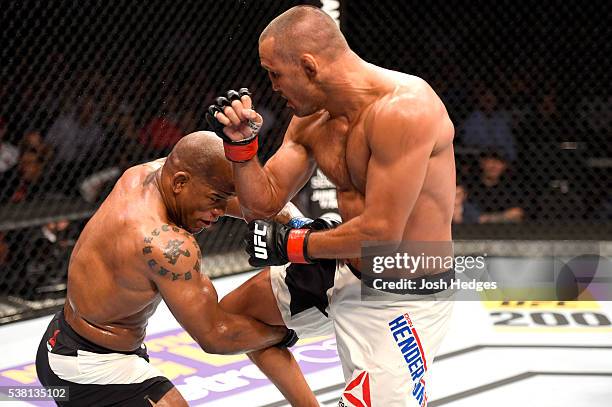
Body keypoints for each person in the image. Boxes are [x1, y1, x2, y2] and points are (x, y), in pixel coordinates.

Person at [209, 5, 456, 406]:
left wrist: (293, 245)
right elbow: (264, 201)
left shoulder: (404, 109)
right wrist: (241, 148)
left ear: (308, 66)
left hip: (402, 293)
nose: (270, 86)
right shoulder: (310, 119)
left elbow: (382, 233)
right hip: (344, 268)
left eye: (275, 73)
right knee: (230, 324)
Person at [35, 132, 295, 406]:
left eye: (224, 199)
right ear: (180, 182)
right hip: (90, 369)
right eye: (214, 199)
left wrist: (290, 220)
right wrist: (286, 332)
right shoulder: (165, 245)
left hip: (63, 340)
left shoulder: (145, 174)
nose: (219, 212)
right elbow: (217, 335)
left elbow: (224, 186)